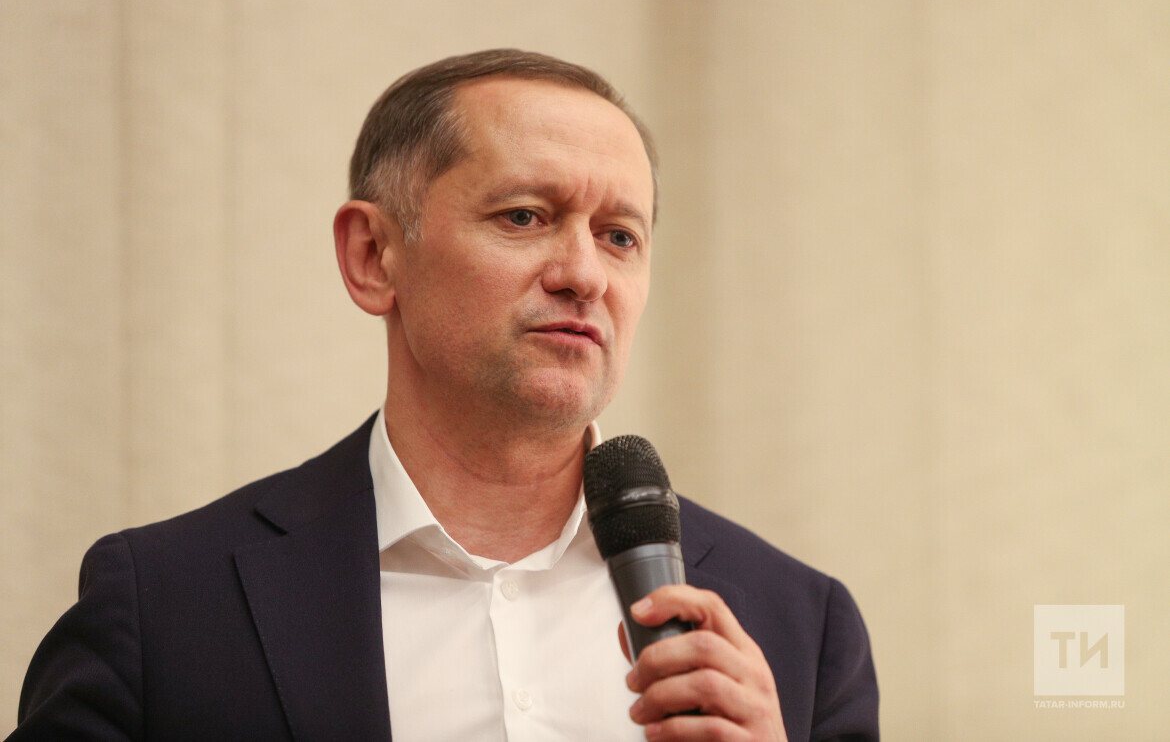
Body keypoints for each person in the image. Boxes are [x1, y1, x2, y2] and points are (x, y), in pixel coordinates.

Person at [12, 49, 878, 741]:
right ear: (373, 257)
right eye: (525, 216)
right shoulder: (166, 605)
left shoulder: (799, 627)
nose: (584, 274)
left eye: (620, 236)